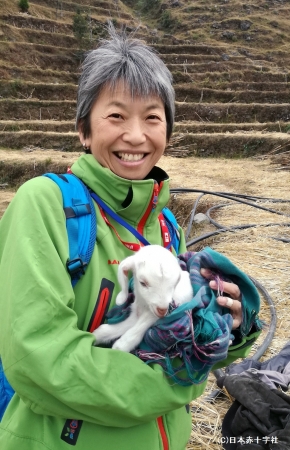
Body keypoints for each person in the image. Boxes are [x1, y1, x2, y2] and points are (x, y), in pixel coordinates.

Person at [0, 26, 261, 450]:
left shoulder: (165, 228)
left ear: (167, 132)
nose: (136, 136)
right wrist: (178, 383)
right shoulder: (45, 206)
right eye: (116, 116)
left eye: (152, 117)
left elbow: (174, 338)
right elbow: (39, 361)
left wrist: (226, 331)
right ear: (84, 129)